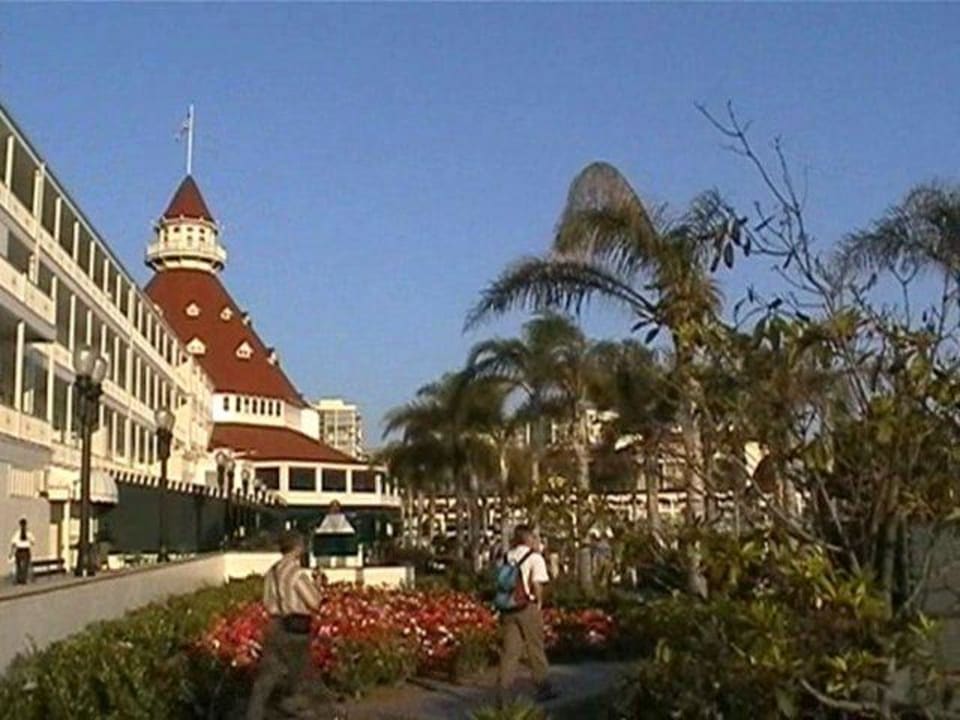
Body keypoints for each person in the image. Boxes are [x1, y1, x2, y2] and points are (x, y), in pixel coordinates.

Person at [246, 530, 328, 720]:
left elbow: (267, 602)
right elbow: (314, 602)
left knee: (266, 678)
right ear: (298, 548)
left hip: (275, 625)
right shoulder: (297, 574)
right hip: (296, 627)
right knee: (301, 675)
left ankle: (253, 715)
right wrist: (317, 585)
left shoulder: (272, 572)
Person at [497, 524, 558, 706]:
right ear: (529, 538)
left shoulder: (508, 556)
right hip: (527, 606)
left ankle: (503, 694)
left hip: (508, 607)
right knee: (535, 647)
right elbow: (537, 583)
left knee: (510, 653)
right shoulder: (535, 558)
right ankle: (543, 687)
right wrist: (539, 602)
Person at [8, 517, 35, 585]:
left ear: (26, 524)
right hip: (19, 550)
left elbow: (33, 542)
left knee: (25, 566)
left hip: (26, 550)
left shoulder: (29, 533)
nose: (23, 525)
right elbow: (13, 543)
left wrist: (29, 539)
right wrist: (11, 553)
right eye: (21, 524)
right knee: (18, 565)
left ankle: (23, 580)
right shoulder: (17, 533)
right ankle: (18, 579)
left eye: (24, 524)